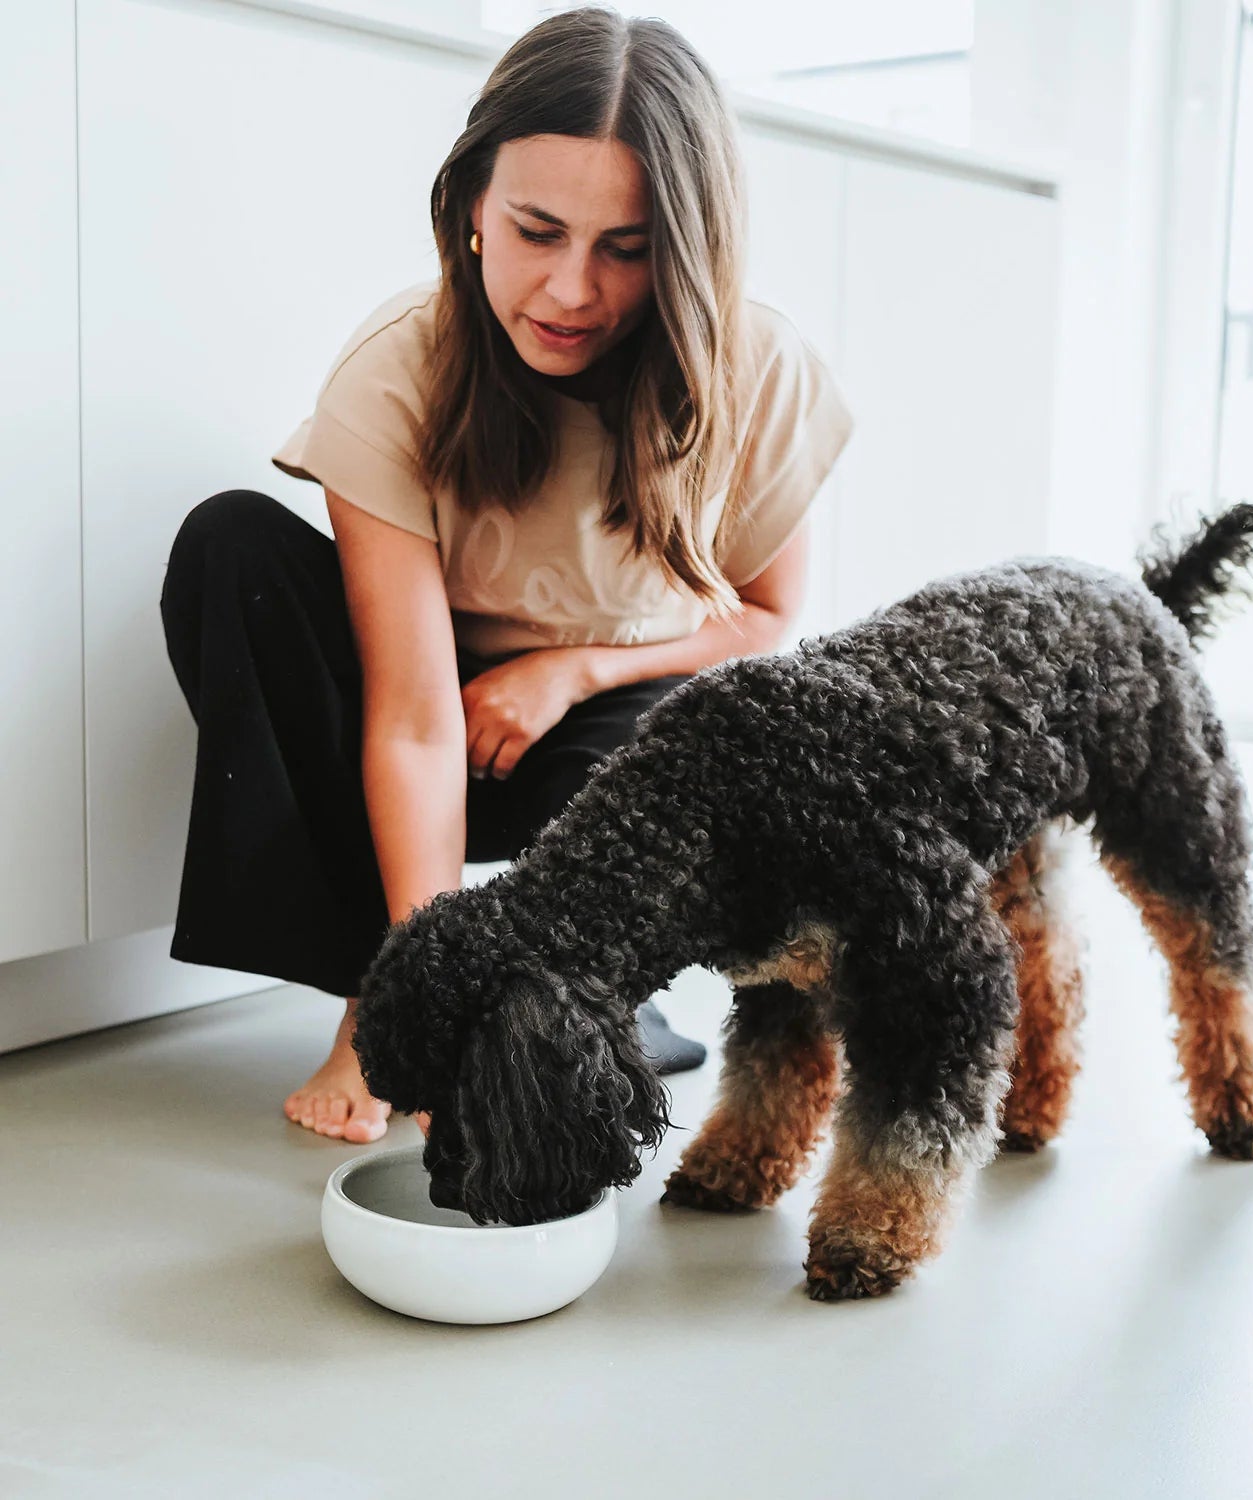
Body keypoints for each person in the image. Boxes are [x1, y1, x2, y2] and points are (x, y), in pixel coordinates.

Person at [158, 5, 854, 1145]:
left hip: (595, 740)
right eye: (538, 231)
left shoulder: (759, 368)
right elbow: (414, 718)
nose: (571, 291)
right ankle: (382, 998)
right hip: (422, 721)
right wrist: (420, 1003)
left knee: (701, 722)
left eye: (626, 248)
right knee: (232, 547)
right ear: (472, 205)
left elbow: (766, 617)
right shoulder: (400, 366)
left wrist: (569, 672)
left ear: (687, 250)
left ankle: (579, 995)